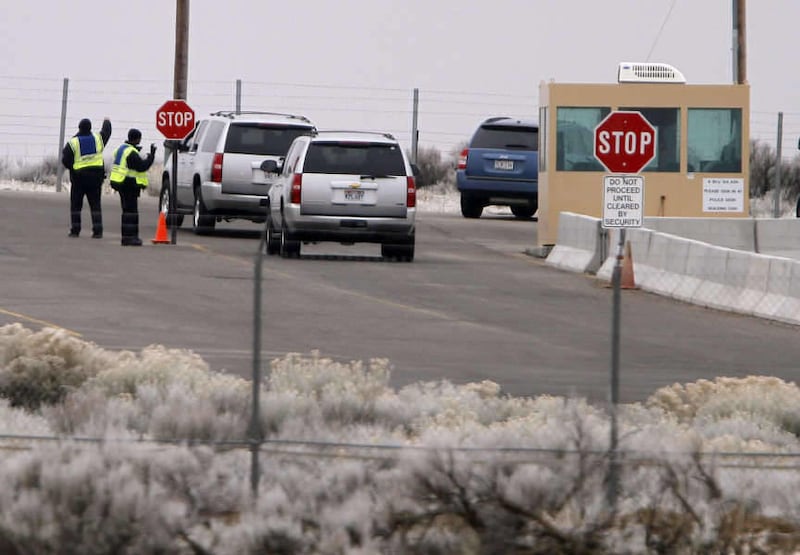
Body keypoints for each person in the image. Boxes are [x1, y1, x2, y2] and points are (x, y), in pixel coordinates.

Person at [61, 117, 112, 238]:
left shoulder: (73, 143)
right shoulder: (98, 139)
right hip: (95, 178)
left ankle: (75, 230)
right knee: (95, 205)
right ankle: (98, 231)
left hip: (79, 178)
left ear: (79, 128)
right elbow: (107, 132)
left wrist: (73, 169)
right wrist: (106, 121)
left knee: (76, 205)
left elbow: (65, 160)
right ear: (90, 128)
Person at [109, 129, 156, 246]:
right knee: (131, 213)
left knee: (126, 212)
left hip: (121, 183)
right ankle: (131, 238)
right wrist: (151, 156)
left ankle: (126, 237)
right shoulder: (131, 152)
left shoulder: (122, 149)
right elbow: (141, 166)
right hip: (129, 184)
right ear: (137, 139)